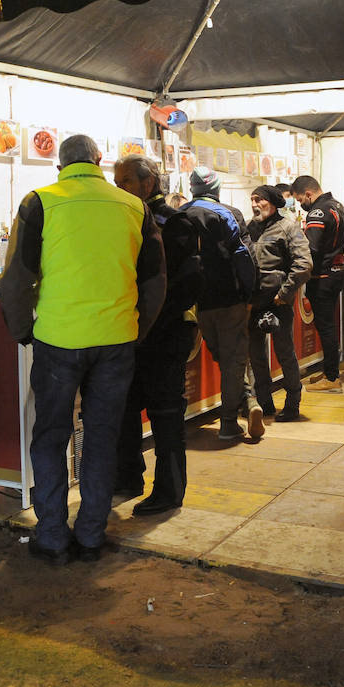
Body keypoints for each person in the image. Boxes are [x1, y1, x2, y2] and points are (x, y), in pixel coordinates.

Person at [1, 136, 165, 564]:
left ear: (60, 165)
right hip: (115, 341)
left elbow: (17, 276)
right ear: (99, 161)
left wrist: (22, 330)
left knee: (51, 436)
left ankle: (53, 537)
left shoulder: (39, 202)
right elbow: (154, 281)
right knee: (101, 438)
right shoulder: (134, 207)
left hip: (57, 340)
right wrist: (136, 329)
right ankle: (91, 535)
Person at [112, 154, 202, 515]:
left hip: (164, 334)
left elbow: (184, 284)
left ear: (148, 183)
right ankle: (128, 476)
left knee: (165, 413)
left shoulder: (172, 222)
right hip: (131, 332)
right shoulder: (125, 218)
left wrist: (151, 322)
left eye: (125, 183)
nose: (119, 189)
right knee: (125, 407)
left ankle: (169, 491)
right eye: (116, 183)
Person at [180, 166, 258, 439]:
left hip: (197, 303)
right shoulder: (228, 213)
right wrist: (249, 293)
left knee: (224, 359)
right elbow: (244, 256)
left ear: (193, 188)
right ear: (216, 189)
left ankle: (248, 403)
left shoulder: (179, 214)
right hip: (230, 298)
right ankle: (229, 421)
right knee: (233, 360)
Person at [245, 184, 312, 424]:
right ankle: (264, 404)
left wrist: (284, 293)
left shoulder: (288, 227)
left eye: (259, 200)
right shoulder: (249, 227)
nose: (254, 204)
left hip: (278, 302)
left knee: (285, 353)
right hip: (254, 302)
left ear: (272, 203)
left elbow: (303, 264)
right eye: (252, 199)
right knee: (256, 355)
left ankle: (293, 403)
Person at [291, 174, 344, 392]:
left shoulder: (318, 211)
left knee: (326, 327)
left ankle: (332, 378)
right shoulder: (337, 205)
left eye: (299, 200)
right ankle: (329, 371)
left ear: (308, 193)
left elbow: (310, 248)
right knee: (328, 326)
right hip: (336, 272)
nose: (300, 204)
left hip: (323, 276)